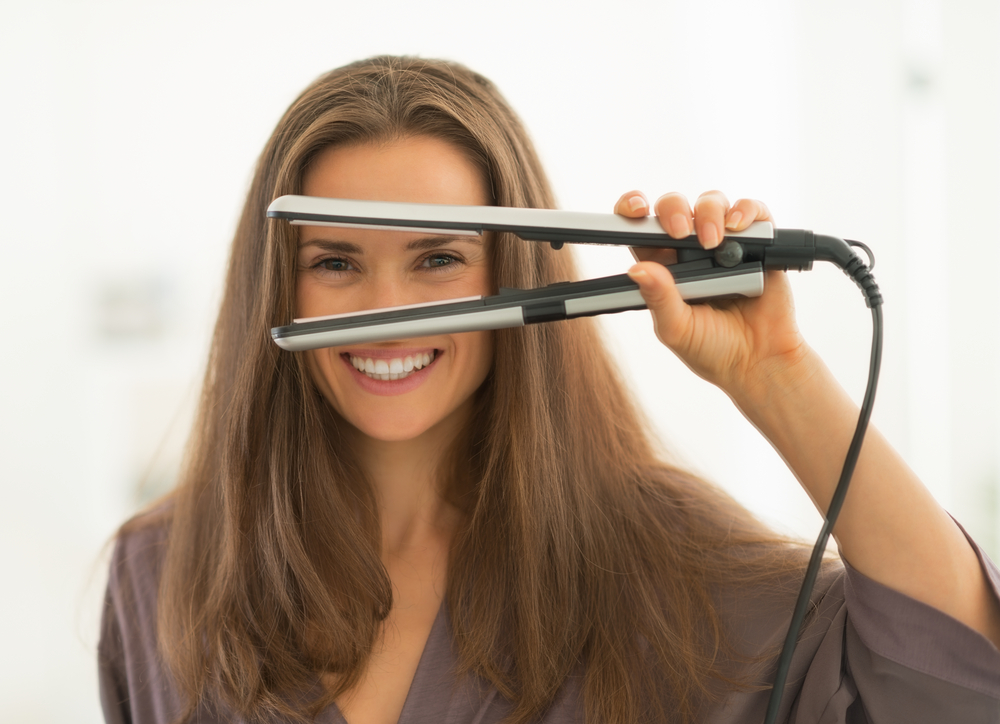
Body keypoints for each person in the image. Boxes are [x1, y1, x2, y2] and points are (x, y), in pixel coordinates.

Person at [98, 56, 1000, 724]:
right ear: (274, 287)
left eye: (438, 259)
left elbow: (952, 675)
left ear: (521, 273)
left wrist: (779, 377)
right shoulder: (162, 569)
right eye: (334, 262)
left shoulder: (656, 563)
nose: (387, 312)